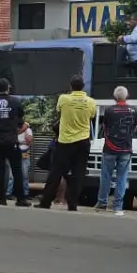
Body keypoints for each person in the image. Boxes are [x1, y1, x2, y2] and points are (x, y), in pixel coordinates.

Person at [38, 76, 96, 211]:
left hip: (65, 141)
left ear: (71, 86)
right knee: (78, 174)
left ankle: (46, 201)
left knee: (56, 172)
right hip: (83, 141)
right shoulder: (91, 102)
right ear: (83, 87)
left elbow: (59, 111)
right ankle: (73, 204)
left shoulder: (63, 99)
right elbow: (91, 115)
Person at [0, 78, 30, 207]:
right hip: (11, 141)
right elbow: (20, 117)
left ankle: (1, 199)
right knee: (16, 170)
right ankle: (20, 199)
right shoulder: (15, 101)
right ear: (8, 88)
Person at [95, 86, 137, 216]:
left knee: (106, 176)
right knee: (122, 178)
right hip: (126, 148)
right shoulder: (133, 110)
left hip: (109, 147)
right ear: (127, 96)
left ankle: (102, 203)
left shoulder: (109, 110)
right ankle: (118, 206)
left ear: (114, 97)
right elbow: (135, 128)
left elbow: (105, 127)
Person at [117, 12, 137, 77]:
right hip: (135, 58)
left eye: (131, 20)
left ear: (136, 20)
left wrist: (122, 38)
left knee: (122, 66)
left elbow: (133, 39)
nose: (130, 22)